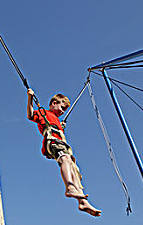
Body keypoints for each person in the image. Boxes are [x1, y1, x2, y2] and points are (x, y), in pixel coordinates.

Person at [27, 89, 102, 217]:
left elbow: (56, 124)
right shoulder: (43, 112)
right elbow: (30, 115)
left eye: (64, 110)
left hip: (62, 144)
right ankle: (69, 187)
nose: (62, 111)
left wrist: (59, 125)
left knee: (74, 170)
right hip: (52, 142)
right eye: (62, 107)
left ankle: (83, 202)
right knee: (66, 160)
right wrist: (30, 98)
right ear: (54, 103)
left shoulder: (57, 120)